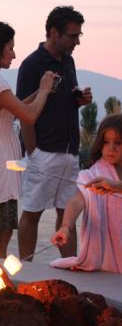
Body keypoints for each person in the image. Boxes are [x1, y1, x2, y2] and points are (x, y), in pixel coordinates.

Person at [0, 19, 55, 258]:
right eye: (10, 48)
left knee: (2, 231)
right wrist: (44, 90)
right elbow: (28, 115)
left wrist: (40, 90)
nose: (14, 54)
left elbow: (12, 110)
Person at [17, 6, 93, 261]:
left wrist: (79, 99)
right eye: (72, 36)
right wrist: (33, 153)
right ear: (53, 33)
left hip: (69, 152)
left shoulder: (69, 61)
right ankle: (26, 271)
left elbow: (61, 99)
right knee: (32, 212)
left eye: (78, 35)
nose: (77, 42)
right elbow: (23, 110)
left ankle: (70, 266)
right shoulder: (32, 65)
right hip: (44, 152)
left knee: (67, 214)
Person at [51, 114, 122, 273]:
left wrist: (116, 186)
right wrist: (66, 227)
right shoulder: (93, 175)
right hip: (107, 257)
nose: (111, 148)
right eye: (106, 142)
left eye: (118, 142)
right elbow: (77, 201)